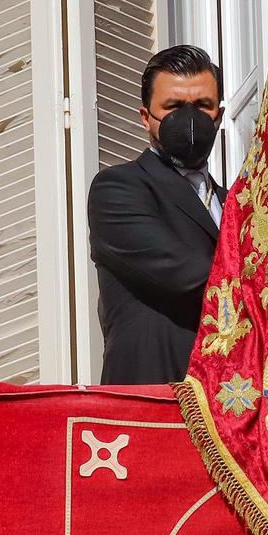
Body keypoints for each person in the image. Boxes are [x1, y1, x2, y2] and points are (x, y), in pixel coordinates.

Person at [88, 45, 226, 385]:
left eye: (202, 106)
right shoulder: (118, 189)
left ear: (219, 115)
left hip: (231, 401)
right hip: (153, 399)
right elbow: (185, 274)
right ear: (146, 116)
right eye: (174, 107)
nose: (190, 118)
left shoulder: (235, 202)